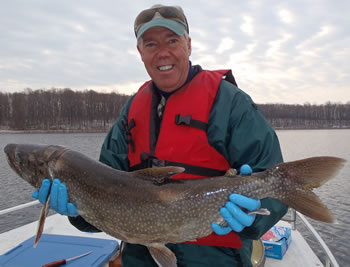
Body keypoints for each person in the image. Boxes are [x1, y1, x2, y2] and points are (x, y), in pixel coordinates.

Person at [33, 4, 288, 266]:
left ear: (188, 45)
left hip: (216, 258)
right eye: (151, 44)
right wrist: (77, 209)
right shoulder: (130, 112)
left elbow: (274, 182)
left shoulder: (232, 104)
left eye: (172, 40)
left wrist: (255, 214)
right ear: (140, 52)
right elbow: (102, 192)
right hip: (140, 257)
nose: (163, 53)